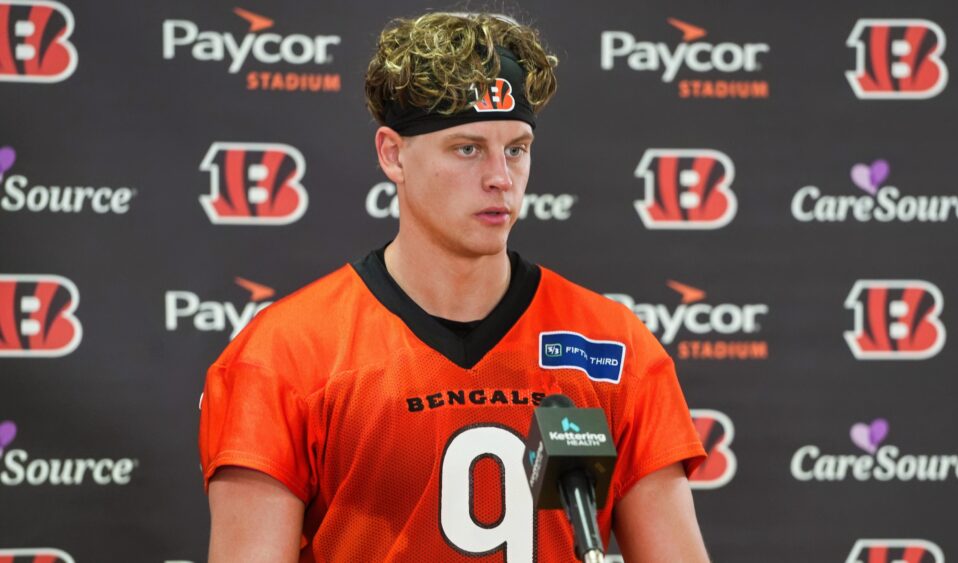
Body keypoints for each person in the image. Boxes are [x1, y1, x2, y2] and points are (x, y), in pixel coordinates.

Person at [199, 12, 710, 562]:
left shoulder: (616, 348)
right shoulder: (284, 355)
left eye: (516, 148)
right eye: (468, 149)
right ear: (393, 154)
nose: (501, 178)